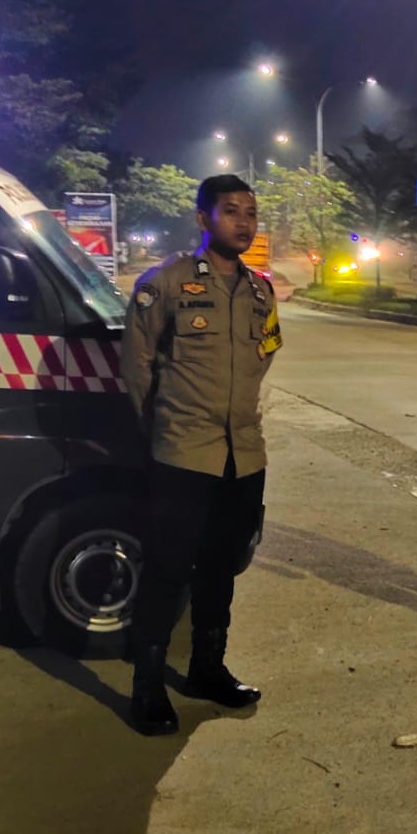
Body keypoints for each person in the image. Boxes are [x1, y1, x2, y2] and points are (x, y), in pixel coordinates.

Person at [120, 174, 284, 735]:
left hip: (245, 456)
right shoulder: (165, 283)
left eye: (251, 213)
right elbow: (137, 366)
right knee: (168, 569)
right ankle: (146, 686)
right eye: (231, 211)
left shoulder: (261, 291)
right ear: (203, 219)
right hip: (184, 454)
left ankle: (207, 668)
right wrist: (163, 430)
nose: (244, 222)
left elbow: (265, 354)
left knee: (222, 567)